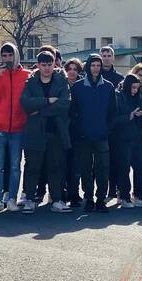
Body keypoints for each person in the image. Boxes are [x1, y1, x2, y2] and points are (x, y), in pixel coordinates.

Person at [19, 51, 72, 214]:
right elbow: (25, 103)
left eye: (50, 64)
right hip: (35, 133)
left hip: (55, 132)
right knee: (33, 167)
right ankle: (29, 200)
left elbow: (65, 104)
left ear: (54, 64)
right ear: (38, 65)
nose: (47, 68)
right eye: (43, 65)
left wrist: (40, 110)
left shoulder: (61, 81)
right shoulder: (31, 82)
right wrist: (48, 101)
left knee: (55, 167)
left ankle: (56, 200)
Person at [0, 42, 30, 213]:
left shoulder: (27, 75)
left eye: (10, 55)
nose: (7, 59)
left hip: (18, 128)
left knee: (14, 166)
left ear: (16, 55)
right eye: (4, 55)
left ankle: (11, 198)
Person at [70, 54, 116, 213]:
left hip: (102, 135)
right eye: (93, 65)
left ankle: (101, 199)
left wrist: (107, 129)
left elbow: (112, 112)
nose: (96, 68)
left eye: (98, 65)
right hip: (84, 136)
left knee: (103, 168)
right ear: (88, 66)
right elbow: (73, 112)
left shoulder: (109, 87)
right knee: (85, 169)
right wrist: (78, 130)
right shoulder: (77, 87)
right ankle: (88, 198)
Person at [110, 73, 142, 207]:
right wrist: (130, 116)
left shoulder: (139, 97)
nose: (135, 90)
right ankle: (124, 197)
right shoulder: (118, 96)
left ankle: (139, 195)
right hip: (122, 140)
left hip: (138, 139)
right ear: (127, 86)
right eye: (133, 87)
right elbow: (113, 119)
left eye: (137, 88)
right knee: (124, 169)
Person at [100, 46, 124, 200]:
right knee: (100, 161)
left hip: (115, 125)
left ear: (113, 58)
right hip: (98, 123)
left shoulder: (119, 78)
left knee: (115, 159)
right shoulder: (94, 75)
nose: (106, 58)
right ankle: (101, 190)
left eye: (109, 55)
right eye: (104, 55)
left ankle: (113, 189)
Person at [63, 58, 85, 208]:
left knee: (76, 165)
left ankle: (74, 194)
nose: (72, 71)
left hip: (78, 130)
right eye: (69, 68)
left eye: (75, 69)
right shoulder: (61, 84)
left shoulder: (82, 85)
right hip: (63, 128)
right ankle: (62, 194)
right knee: (63, 164)